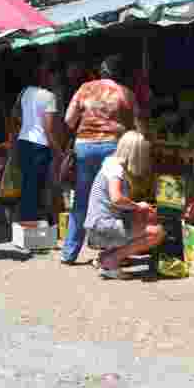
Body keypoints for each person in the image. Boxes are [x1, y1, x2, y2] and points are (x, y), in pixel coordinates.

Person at [60, 54, 143, 265]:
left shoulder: (85, 89)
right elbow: (140, 126)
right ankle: (111, 253)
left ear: (101, 71)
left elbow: (69, 120)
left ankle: (69, 253)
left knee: (82, 198)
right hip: (113, 147)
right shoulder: (126, 94)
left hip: (84, 147)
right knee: (113, 201)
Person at [85, 131, 165, 279]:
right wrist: (138, 206)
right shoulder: (116, 169)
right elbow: (117, 199)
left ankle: (105, 257)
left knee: (143, 220)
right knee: (156, 232)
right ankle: (111, 261)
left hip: (97, 224)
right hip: (102, 226)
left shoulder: (111, 164)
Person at [13, 62, 62, 223]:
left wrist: (27, 126)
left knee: (27, 186)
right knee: (36, 189)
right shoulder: (49, 96)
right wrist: (58, 151)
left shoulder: (25, 92)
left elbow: (16, 115)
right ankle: (31, 227)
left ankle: (27, 224)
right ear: (47, 77)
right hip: (39, 146)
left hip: (24, 142)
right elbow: (48, 128)